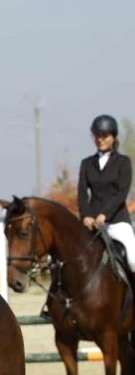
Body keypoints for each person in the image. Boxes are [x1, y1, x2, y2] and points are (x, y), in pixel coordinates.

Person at [78, 114, 135, 271]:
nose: (100, 140)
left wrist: (105, 214)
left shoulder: (123, 162)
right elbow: (82, 192)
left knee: (133, 260)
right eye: (97, 136)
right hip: (92, 225)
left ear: (114, 137)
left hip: (117, 222)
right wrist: (85, 216)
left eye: (104, 136)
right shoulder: (86, 163)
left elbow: (121, 193)